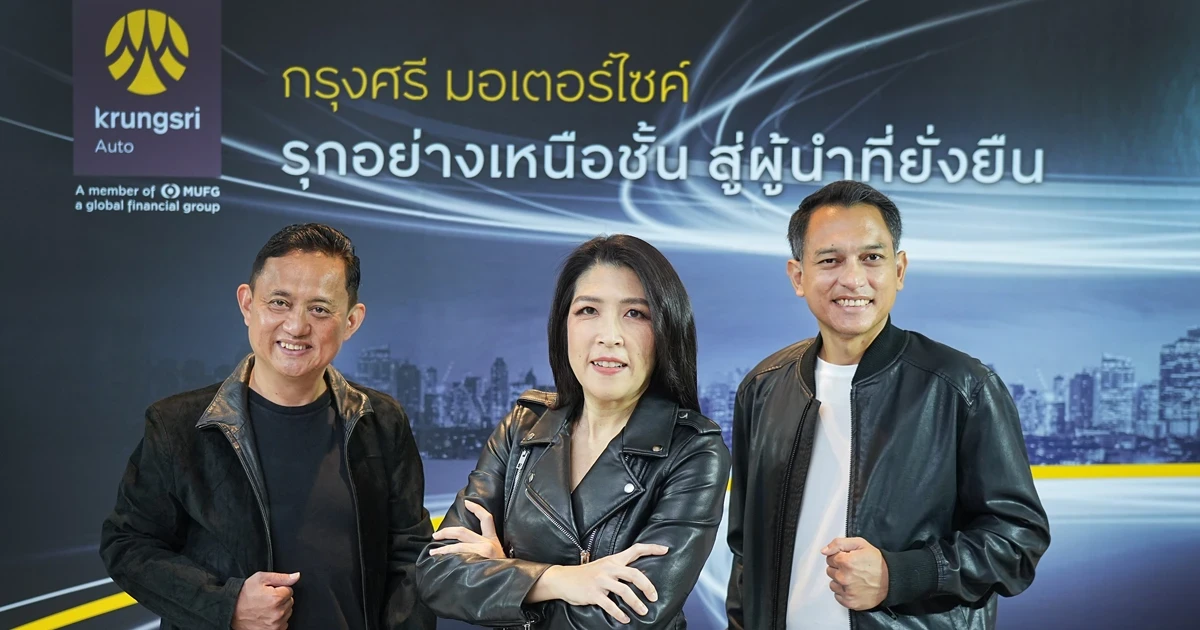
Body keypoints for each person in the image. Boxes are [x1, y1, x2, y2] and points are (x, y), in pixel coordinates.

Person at [725, 181, 1051, 630]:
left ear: (899, 270)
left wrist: (900, 575)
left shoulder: (961, 387)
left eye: (872, 258)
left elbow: (1018, 542)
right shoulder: (763, 388)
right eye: (830, 260)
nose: (852, 279)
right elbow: (745, 551)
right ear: (798, 276)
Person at [100, 223, 436, 630]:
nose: (296, 326)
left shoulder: (381, 421)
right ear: (247, 304)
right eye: (279, 302)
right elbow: (127, 545)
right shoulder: (178, 426)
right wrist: (226, 605)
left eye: (319, 309)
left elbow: (411, 558)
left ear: (351, 321)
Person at [415, 234, 731, 628]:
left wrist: (506, 572)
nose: (609, 335)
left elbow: (628, 618)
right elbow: (438, 573)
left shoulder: (694, 451)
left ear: (667, 329)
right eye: (588, 310)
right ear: (563, 324)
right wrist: (559, 579)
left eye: (635, 313)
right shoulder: (524, 427)